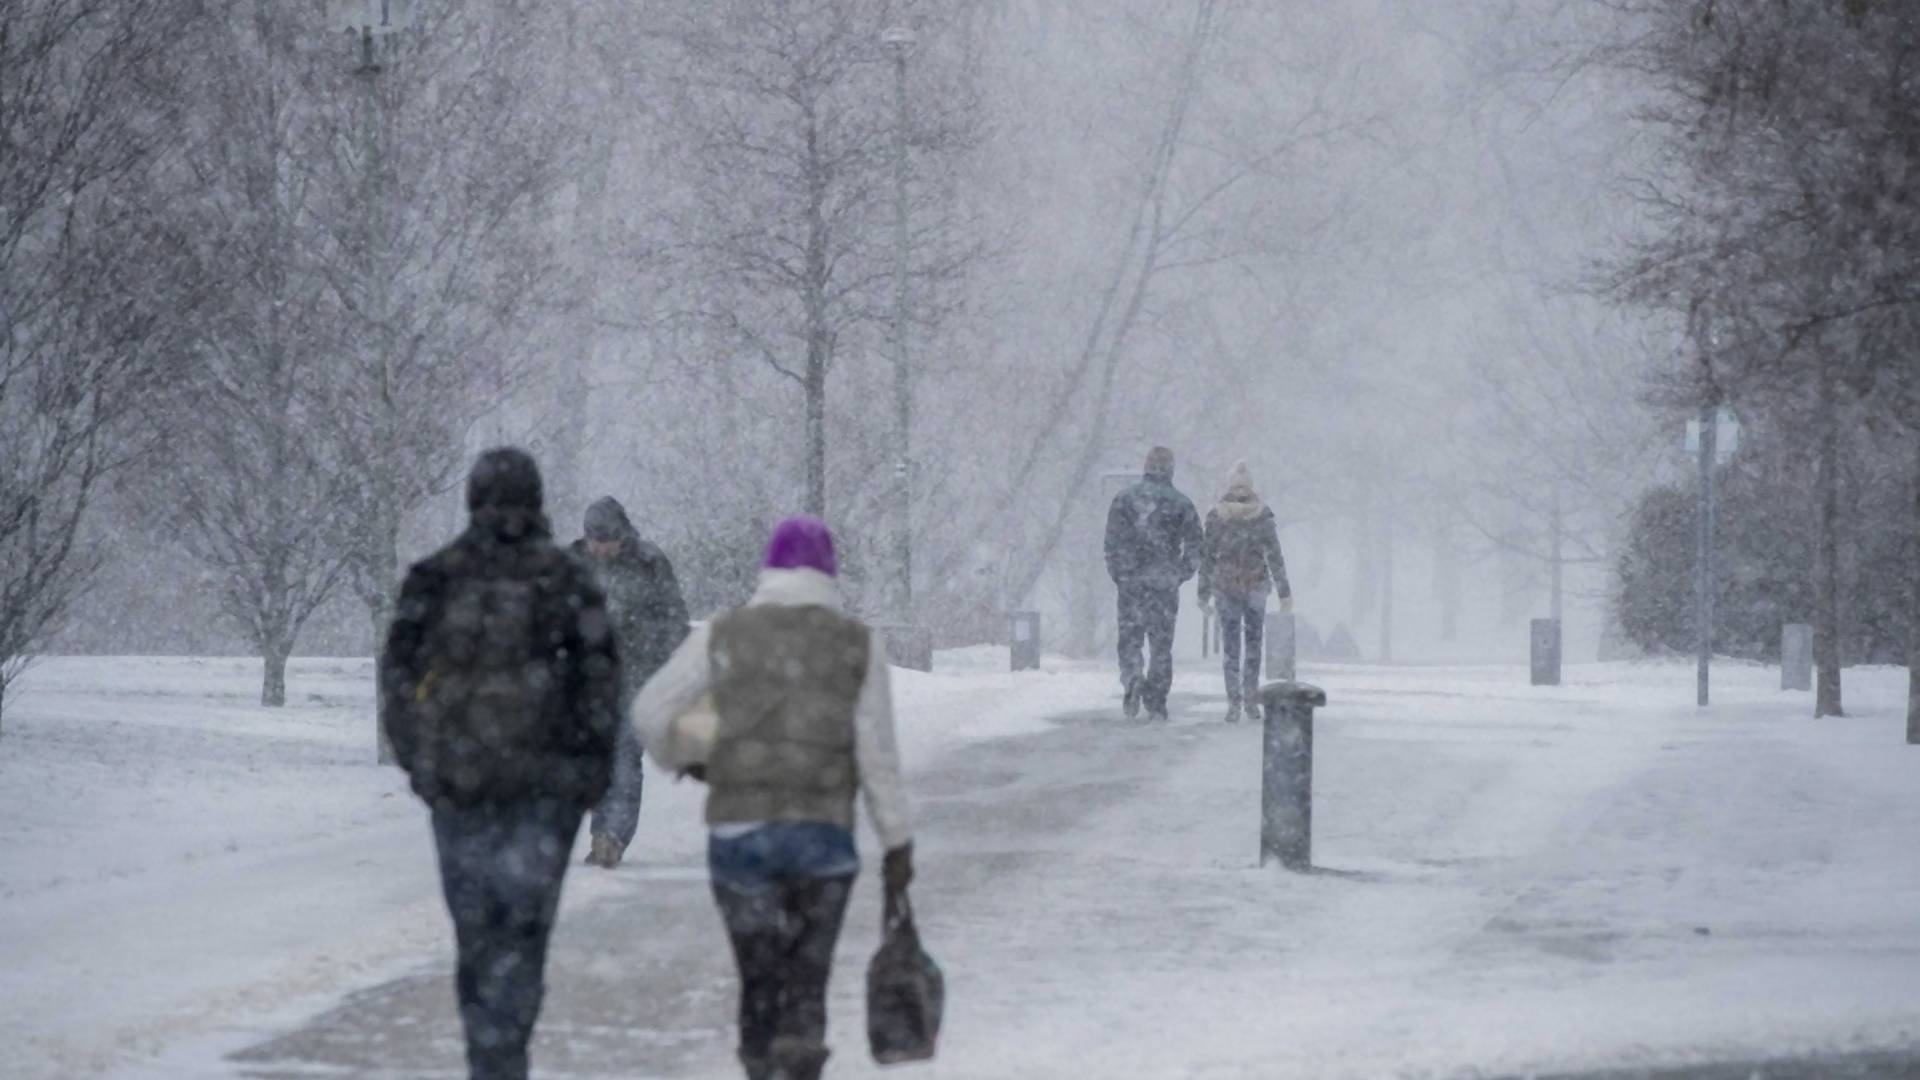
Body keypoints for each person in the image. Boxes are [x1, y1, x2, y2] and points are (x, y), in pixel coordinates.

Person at [634, 516, 915, 1080]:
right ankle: (800, 1053)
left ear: (769, 570)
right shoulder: (857, 643)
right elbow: (877, 754)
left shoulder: (724, 632)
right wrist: (897, 844)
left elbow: (649, 712)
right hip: (823, 841)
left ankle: (761, 1060)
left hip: (741, 836)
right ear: (829, 574)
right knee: (806, 983)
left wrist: (690, 758)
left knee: (759, 977)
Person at [381, 448, 622, 1080]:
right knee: (524, 934)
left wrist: (425, 770)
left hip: (461, 788)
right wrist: (587, 781)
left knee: (476, 936)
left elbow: (397, 683)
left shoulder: (434, 578)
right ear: (539, 501)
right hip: (546, 797)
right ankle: (506, 1052)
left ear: (472, 500)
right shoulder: (569, 581)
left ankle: (487, 1055)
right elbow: (601, 686)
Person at [570, 496, 690, 868]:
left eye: (607, 540)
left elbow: (674, 621)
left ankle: (611, 838)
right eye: (594, 540)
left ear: (623, 536)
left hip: (638, 681)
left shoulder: (649, 563)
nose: (600, 548)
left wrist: (642, 647)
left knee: (623, 758)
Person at [1104, 446, 1203, 722]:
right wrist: (1181, 573)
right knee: (1161, 644)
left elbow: (1112, 541)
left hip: (1131, 582)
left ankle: (1133, 678)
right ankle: (1157, 698)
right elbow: (1196, 544)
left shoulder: (1124, 499)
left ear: (1146, 466)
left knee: (1130, 638)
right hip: (1163, 583)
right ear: (1170, 469)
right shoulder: (1181, 503)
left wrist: (1119, 572)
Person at [1197, 461, 1292, 723]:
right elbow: (1274, 556)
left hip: (1229, 586)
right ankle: (1247, 699)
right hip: (1254, 585)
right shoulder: (1261, 515)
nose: (1240, 490)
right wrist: (1283, 591)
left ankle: (1236, 702)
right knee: (1250, 645)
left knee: (1233, 647)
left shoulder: (1217, 515)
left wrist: (1203, 591)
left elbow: (1207, 557)